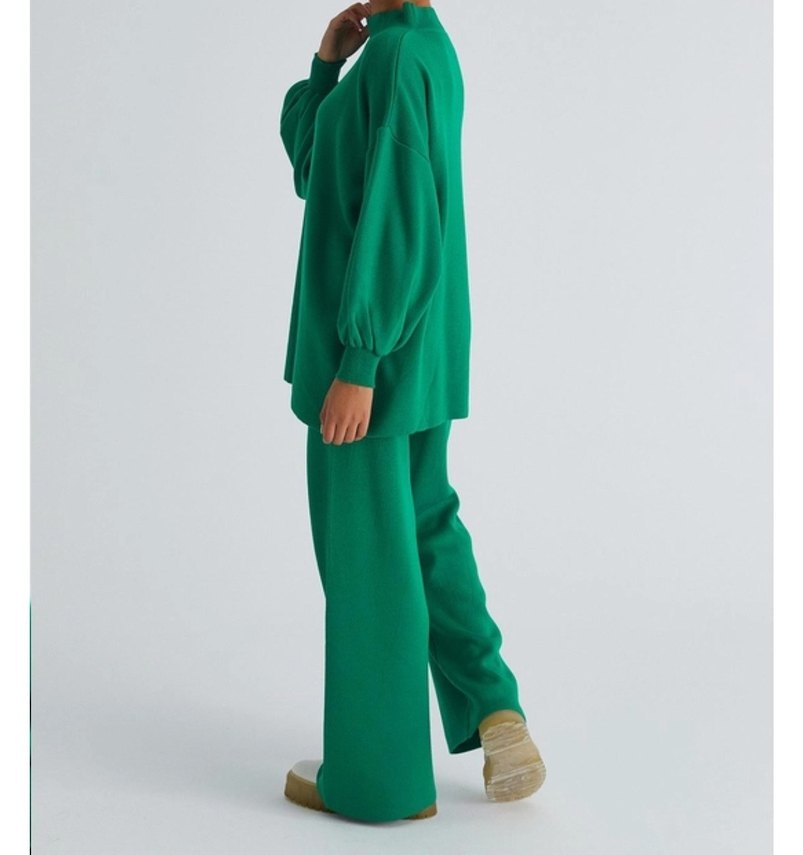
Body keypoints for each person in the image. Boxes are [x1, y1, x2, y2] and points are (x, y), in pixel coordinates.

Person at [279, 0, 546, 823]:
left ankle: (377, 778)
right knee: (424, 525)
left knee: (367, 562)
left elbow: (401, 214)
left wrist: (359, 361)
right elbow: (319, 173)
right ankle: (495, 710)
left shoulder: (397, 59)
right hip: (420, 347)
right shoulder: (420, 49)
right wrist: (325, 67)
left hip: (375, 357)